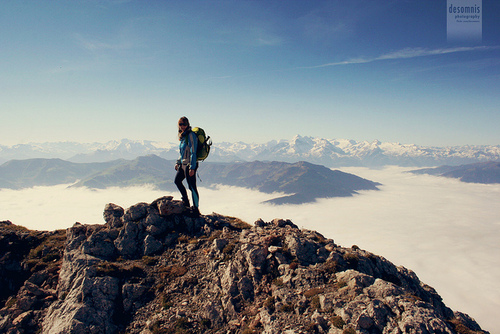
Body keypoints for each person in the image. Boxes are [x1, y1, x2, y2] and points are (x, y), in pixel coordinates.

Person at [174, 116, 200, 216]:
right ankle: (186, 202)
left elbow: (193, 152)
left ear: (188, 124)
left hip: (190, 165)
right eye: (180, 124)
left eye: (184, 124)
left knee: (192, 187)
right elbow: (182, 152)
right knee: (177, 181)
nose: (182, 126)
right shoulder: (182, 136)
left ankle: (196, 209)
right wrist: (178, 162)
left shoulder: (191, 135)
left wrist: (192, 167)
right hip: (183, 164)